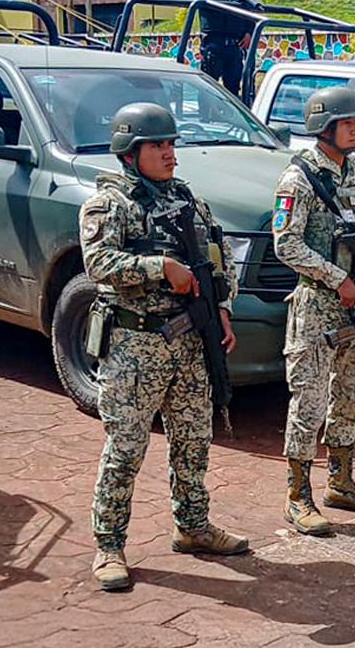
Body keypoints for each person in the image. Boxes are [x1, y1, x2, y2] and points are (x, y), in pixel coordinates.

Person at [80, 103, 249, 592]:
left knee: (194, 440)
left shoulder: (188, 201)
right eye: (158, 146)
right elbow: (99, 262)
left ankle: (193, 526)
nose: (170, 153)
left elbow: (218, 258)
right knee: (126, 448)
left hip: (191, 342)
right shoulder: (109, 204)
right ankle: (109, 546)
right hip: (137, 345)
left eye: (172, 144)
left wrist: (222, 308)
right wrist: (159, 269)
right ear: (131, 153)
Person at [273, 86, 355, 536]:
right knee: (309, 401)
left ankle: (341, 482)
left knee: (350, 395)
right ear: (324, 127)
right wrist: (335, 278)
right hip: (317, 306)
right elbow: (287, 243)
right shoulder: (298, 180)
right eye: (347, 122)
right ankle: (297, 496)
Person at [189, 0, 255, 97]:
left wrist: (249, 32)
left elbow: (249, 12)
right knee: (208, 88)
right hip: (213, 44)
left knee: (233, 89)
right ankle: (206, 116)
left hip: (234, 45)